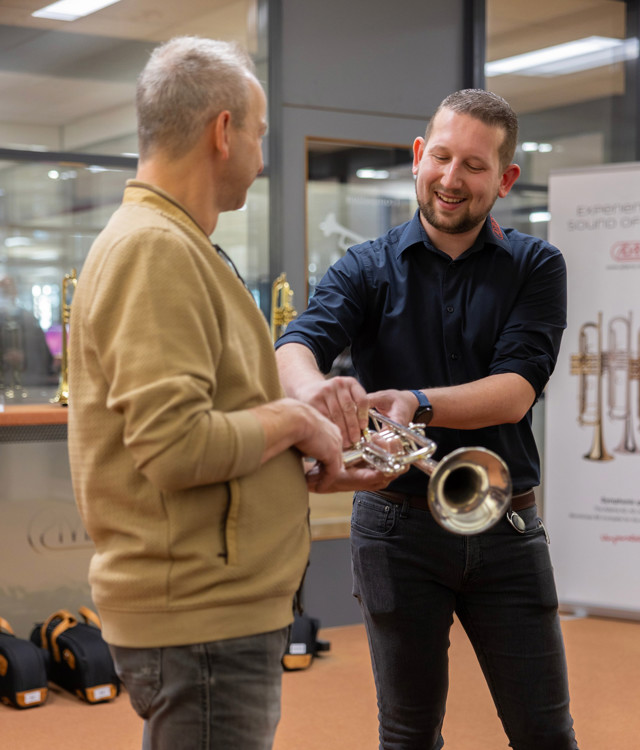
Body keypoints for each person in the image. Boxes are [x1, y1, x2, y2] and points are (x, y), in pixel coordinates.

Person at [275, 89, 579, 749]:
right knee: (407, 735)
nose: (451, 178)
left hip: (505, 522)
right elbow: (294, 345)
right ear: (418, 156)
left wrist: (415, 400)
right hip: (395, 530)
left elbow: (516, 390)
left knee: (546, 733)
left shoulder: (537, 265)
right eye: (440, 157)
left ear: (505, 179)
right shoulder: (365, 266)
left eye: (474, 165)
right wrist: (316, 393)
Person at [67, 37, 347, 750]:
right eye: (260, 134)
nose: (262, 156)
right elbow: (175, 446)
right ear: (223, 131)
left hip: (213, 614)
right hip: (201, 621)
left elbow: (212, 423)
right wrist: (294, 422)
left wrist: (299, 452)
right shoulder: (154, 248)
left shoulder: (176, 242)